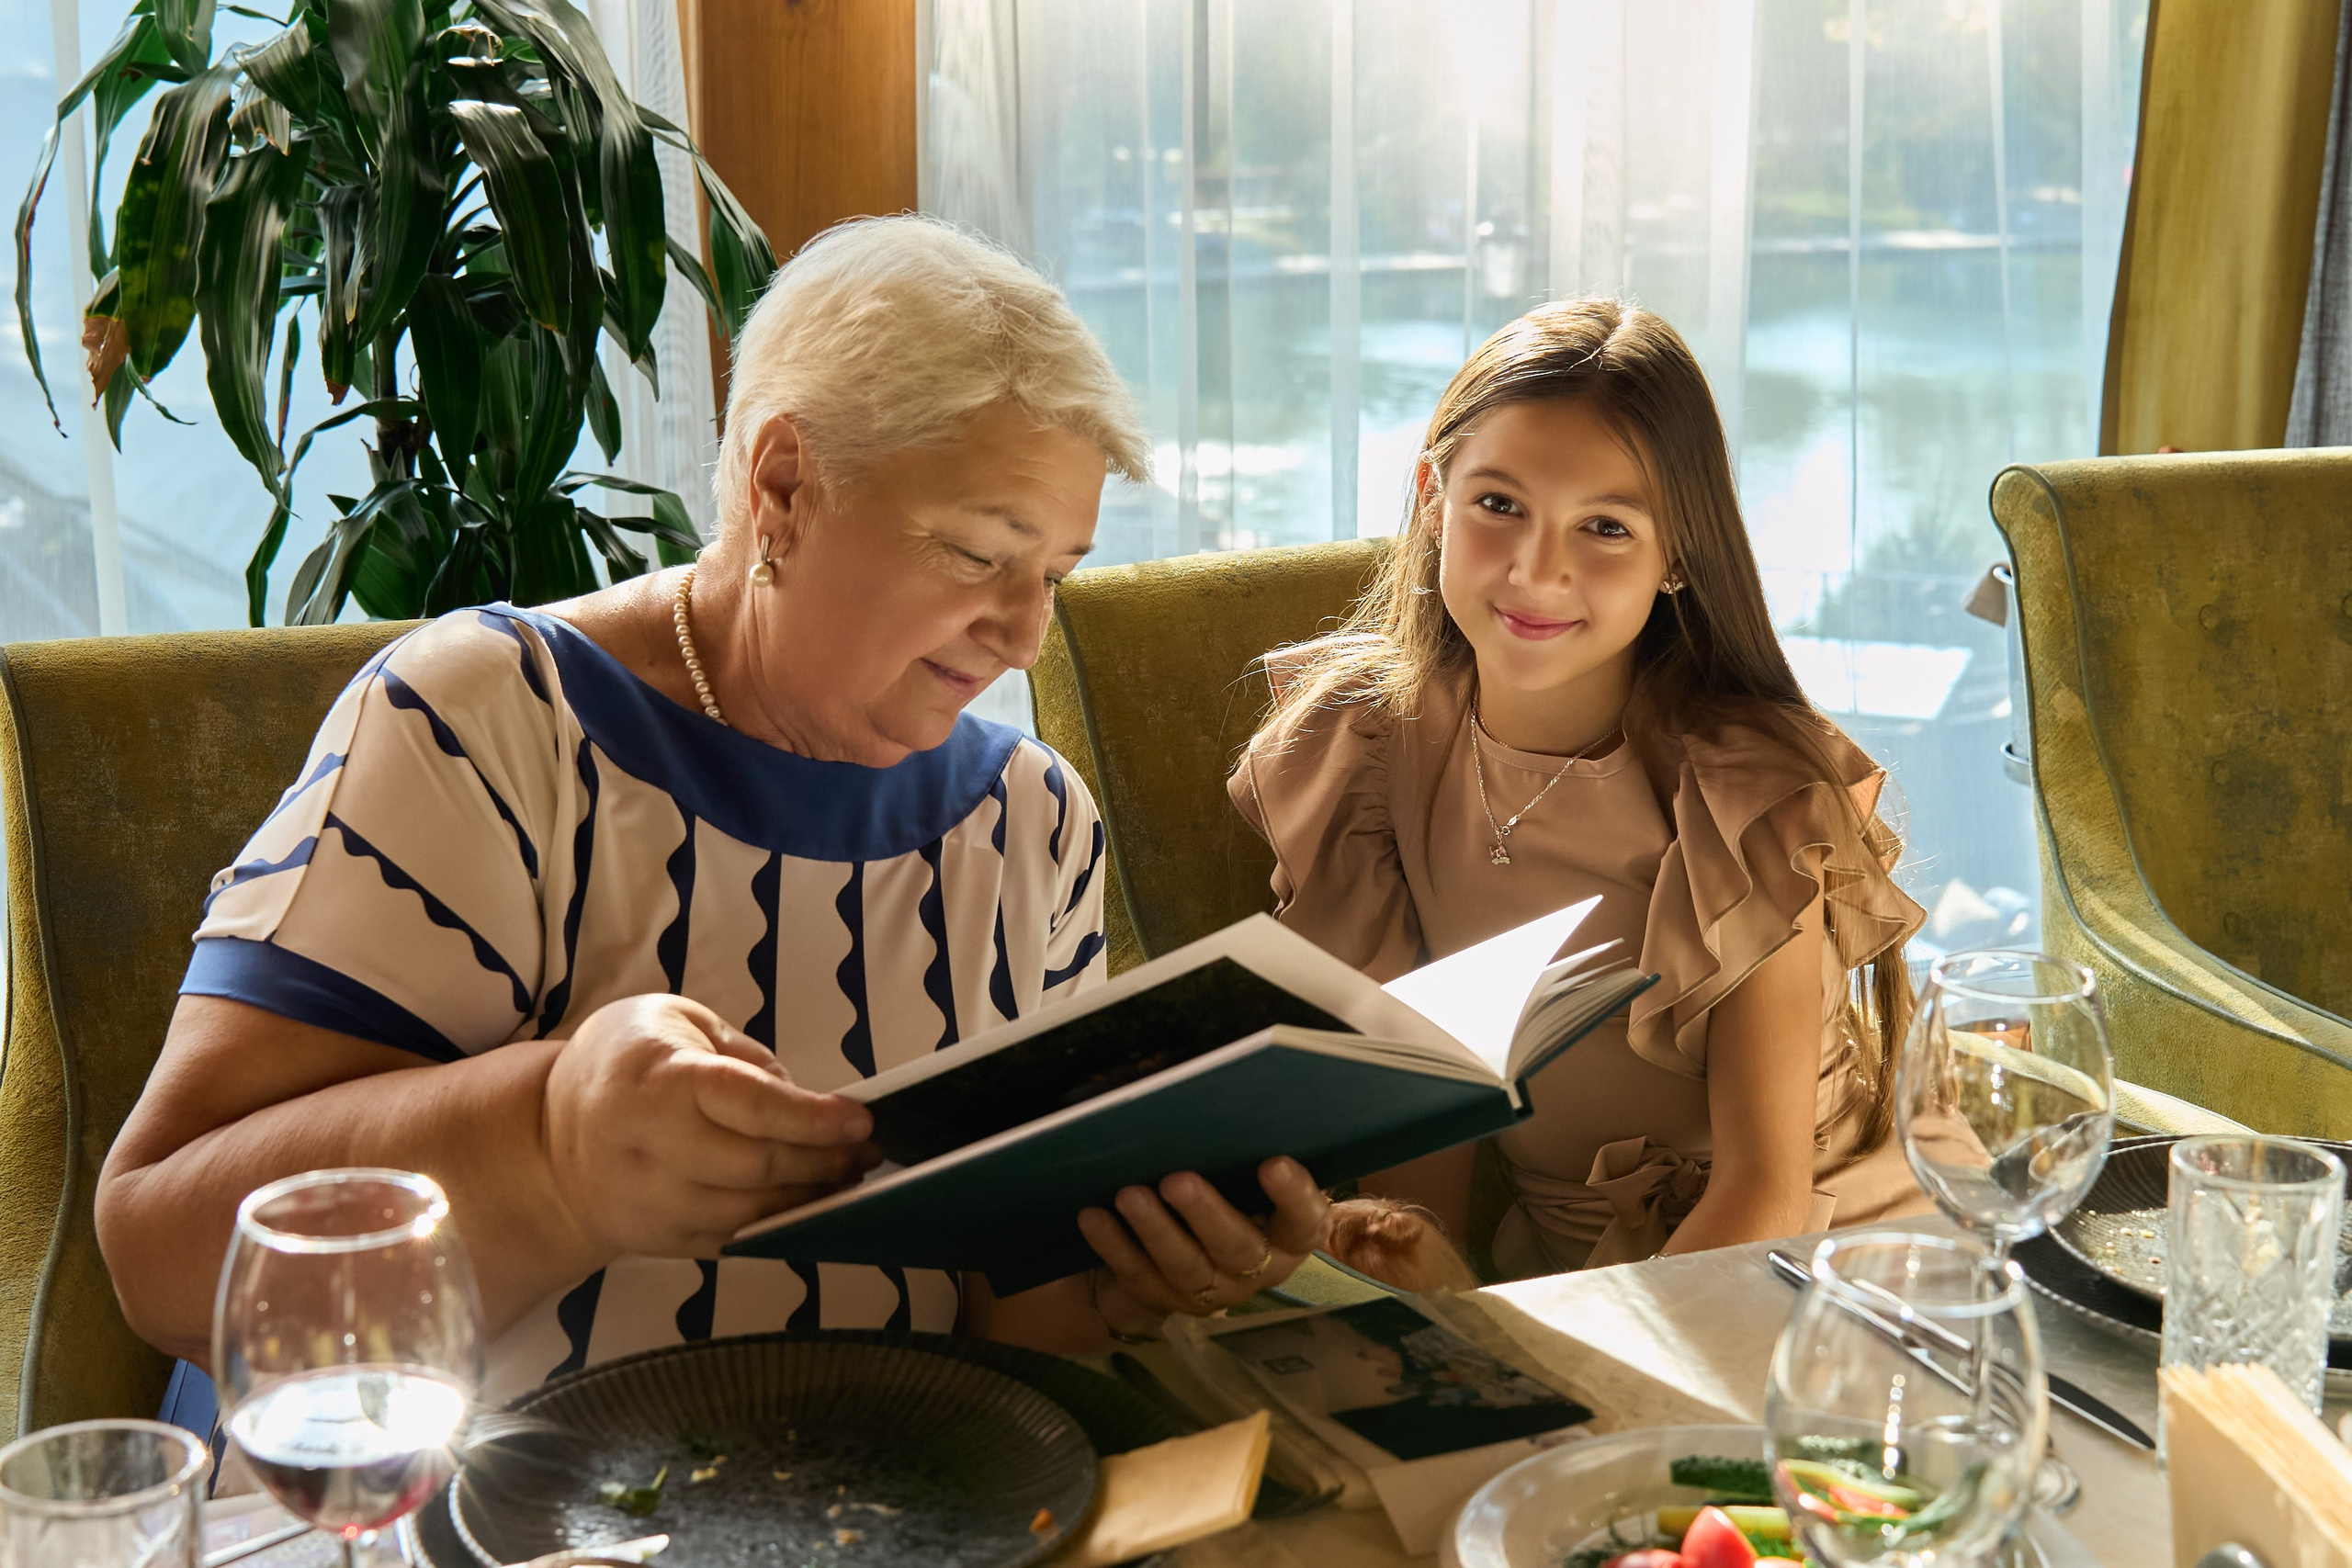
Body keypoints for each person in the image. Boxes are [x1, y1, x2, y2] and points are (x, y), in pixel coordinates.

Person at [96, 216, 1329, 1401]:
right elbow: (158, 1250)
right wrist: (548, 1150)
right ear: (784, 483)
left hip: (890, 1502)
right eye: (976, 553)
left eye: (1054, 572)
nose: (1023, 635)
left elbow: (1008, 1328)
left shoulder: (1033, 822)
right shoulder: (490, 721)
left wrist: (1134, 1275)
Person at [1232, 299, 1931, 1286]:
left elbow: (1763, 1194)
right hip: (1568, 1274)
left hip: (1812, 1258)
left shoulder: (1741, 796)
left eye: (1605, 526)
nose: (1536, 569)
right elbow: (1423, 1147)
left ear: (1678, 554)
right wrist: (1433, 1283)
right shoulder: (1365, 752)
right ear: (1432, 496)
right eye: (1498, 505)